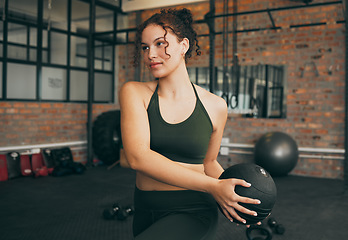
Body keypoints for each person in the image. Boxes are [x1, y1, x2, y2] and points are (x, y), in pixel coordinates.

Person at [120, 8, 261, 240]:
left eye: (159, 44)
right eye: (145, 47)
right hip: (145, 209)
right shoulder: (134, 92)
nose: (150, 54)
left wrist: (236, 195)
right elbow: (137, 157)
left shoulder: (216, 106)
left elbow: (209, 162)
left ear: (184, 45)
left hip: (193, 210)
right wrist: (214, 187)